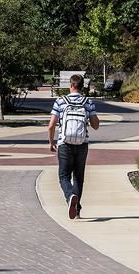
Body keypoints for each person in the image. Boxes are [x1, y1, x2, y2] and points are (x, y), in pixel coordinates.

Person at [47, 74, 100, 219]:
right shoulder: (87, 102)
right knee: (78, 177)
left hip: (64, 143)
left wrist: (51, 142)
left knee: (64, 176)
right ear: (82, 87)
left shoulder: (60, 101)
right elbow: (96, 126)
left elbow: (51, 125)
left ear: (70, 85)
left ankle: (70, 196)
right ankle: (76, 210)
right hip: (82, 144)